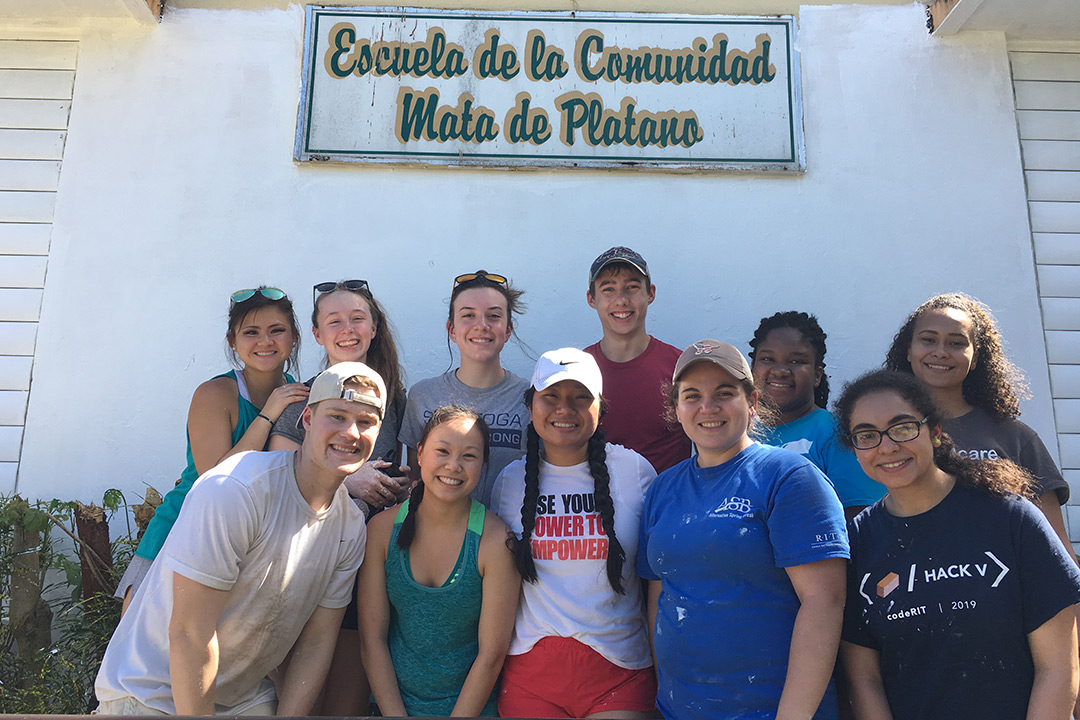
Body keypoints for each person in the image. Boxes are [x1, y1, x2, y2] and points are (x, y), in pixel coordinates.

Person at [95, 362, 384, 716]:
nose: (351, 433)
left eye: (366, 422)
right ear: (306, 420)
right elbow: (189, 634)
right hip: (148, 692)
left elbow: (317, 643)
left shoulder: (350, 525)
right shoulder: (235, 489)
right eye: (337, 416)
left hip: (241, 699)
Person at [835, 369, 1080, 720]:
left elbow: (1058, 666)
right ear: (855, 449)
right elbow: (865, 682)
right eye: (867, 435)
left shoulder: (1009, 517)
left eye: (903, 427)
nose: (887, 446)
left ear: (934, 432)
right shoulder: (858, 542)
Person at [639, 339, 849, 720]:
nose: (708, 407)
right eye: (692, 396)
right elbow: (659, 595)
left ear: (752, 403)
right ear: (676, 408)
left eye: (724, 393)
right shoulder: (662, 489)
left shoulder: (790, 478)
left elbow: (825, 602)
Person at [490, 348, 658, 719]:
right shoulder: (509, 482)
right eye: (550, 397)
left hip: (620, 673)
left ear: (600, 406)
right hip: (530, 677)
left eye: (580, 397)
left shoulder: (635, 471)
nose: (564, 409)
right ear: (531, 404)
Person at [117, 287, 309, 610]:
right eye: (251, 332)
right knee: (141, 653)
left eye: (277, 330)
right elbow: (213, 483)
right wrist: (267, 415)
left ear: (293, 338)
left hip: (248, 548)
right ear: (233, 341)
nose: (265, 341)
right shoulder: (214, 394)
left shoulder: (300, 397)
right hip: (181, 533)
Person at [267, 279, 409, 716]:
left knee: (345, 704)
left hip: (362, 566)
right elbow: (278, 467)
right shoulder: (302, 397)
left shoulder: (394, 401)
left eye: (357, 318)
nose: (347, 329)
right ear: (317, 334)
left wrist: (400, 487)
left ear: (372, 327)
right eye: (334, 321)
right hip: (301, 562)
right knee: (297, 698)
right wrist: (352, 479)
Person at [883, 293, 1073, 561]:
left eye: (956, 343)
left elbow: (1057, 546)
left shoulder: (1016, 437)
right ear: (908, 350)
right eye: (928, 340)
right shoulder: (881, 438)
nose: (940, 351)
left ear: (975, 358)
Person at [358, 406, 520, 717]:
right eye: (442, 451)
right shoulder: (380, 532)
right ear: (419, 454)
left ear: (484, 464)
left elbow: (491, 655)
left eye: (469, 456)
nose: (454, 466)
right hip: (392, 709)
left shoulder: (496, 542)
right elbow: (372, 640)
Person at [399, 270, 529, 506]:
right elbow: (414, 483)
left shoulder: (531, 398)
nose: (482, 326)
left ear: (508, 330)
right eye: (468, 315)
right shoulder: (422, 396)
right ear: (451, 330)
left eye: (493, 316)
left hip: (509, 537)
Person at [749, 310, 885, 520]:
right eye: (767, 358)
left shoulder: (836, 432)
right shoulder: (740, 432)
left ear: (817, 375)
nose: (780, 370)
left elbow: (862, 517)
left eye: (796, 361)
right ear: (752, 369)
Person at [584, 246, 690, 473]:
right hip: (595, 504)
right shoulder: (577, 370)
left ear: (650, 293)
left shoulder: (681, 367)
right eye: (608, 289)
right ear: (591, 299)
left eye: (632, 287)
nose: (621, 300)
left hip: (667, 504)